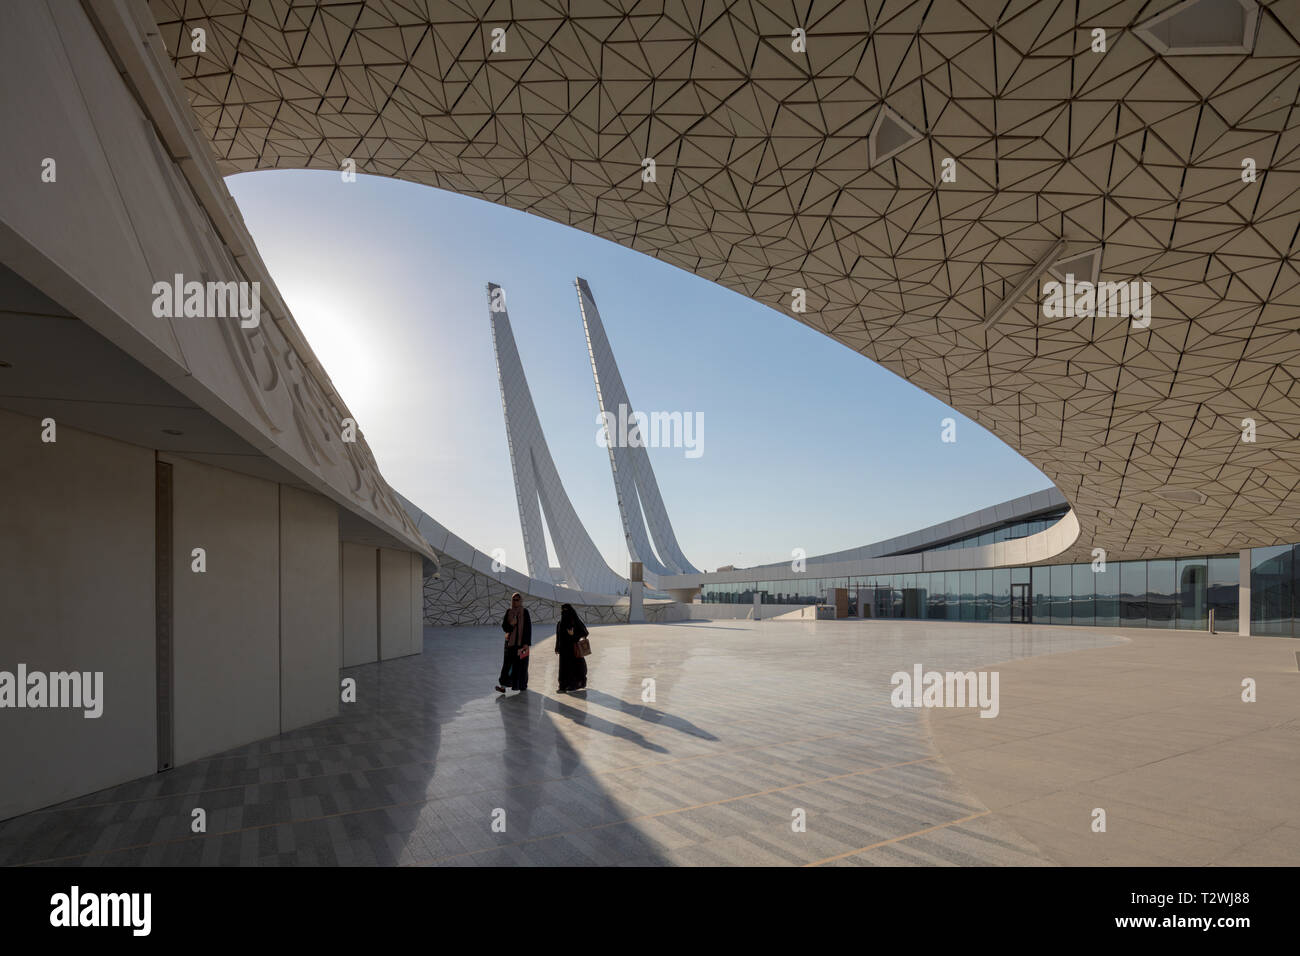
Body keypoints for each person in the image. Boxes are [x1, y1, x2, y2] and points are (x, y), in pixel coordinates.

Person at [496, 592, 531, 694]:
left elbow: (528, 629)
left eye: (517, 600)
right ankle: (502, 686)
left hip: (521, 644)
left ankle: (522, 685)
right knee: (507, 665)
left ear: (520, 601)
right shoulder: (509, 611)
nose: (515, 602)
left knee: (521, 666)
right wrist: (511, 624)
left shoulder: (525, 612)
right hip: (510, 644)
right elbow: (504, 627)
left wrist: (526, 643)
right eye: (513, 600)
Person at [554, 603, 588, 693]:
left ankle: (573, 684)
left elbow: (584, 632)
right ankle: (563, 685)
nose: (563, 612)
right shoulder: (560, 623)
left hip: (573, 649)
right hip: (563, 650)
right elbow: (558, 636)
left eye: (566, 610)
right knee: (563, 668)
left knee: (573, 667)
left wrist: (573, 635)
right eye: (562, 610)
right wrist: (557, 647)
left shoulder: (575, 621)